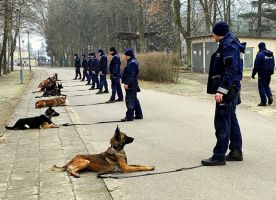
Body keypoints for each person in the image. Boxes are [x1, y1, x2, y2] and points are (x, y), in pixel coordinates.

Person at [202, 21, 246, 166]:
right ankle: (236, 151)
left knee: (221, 121)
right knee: (231, 119)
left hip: (228, 88)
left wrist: (221, 90)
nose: (212, 35)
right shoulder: (230, 42)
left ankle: (219, 156)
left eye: (213, 33)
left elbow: (230, 70)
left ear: (217, 33)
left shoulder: (228, 46)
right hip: (232, 87)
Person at [121, 49, 143, 122]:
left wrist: (127, 83)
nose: (125, 57)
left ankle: (129, 116)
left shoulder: (132, 63)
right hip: (133, 83)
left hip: (131, 84)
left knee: (130, 100)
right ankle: (139, 115)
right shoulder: (132, 61)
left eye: (126, 55)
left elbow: (131, 75)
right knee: (134, 100)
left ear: (129, 55)